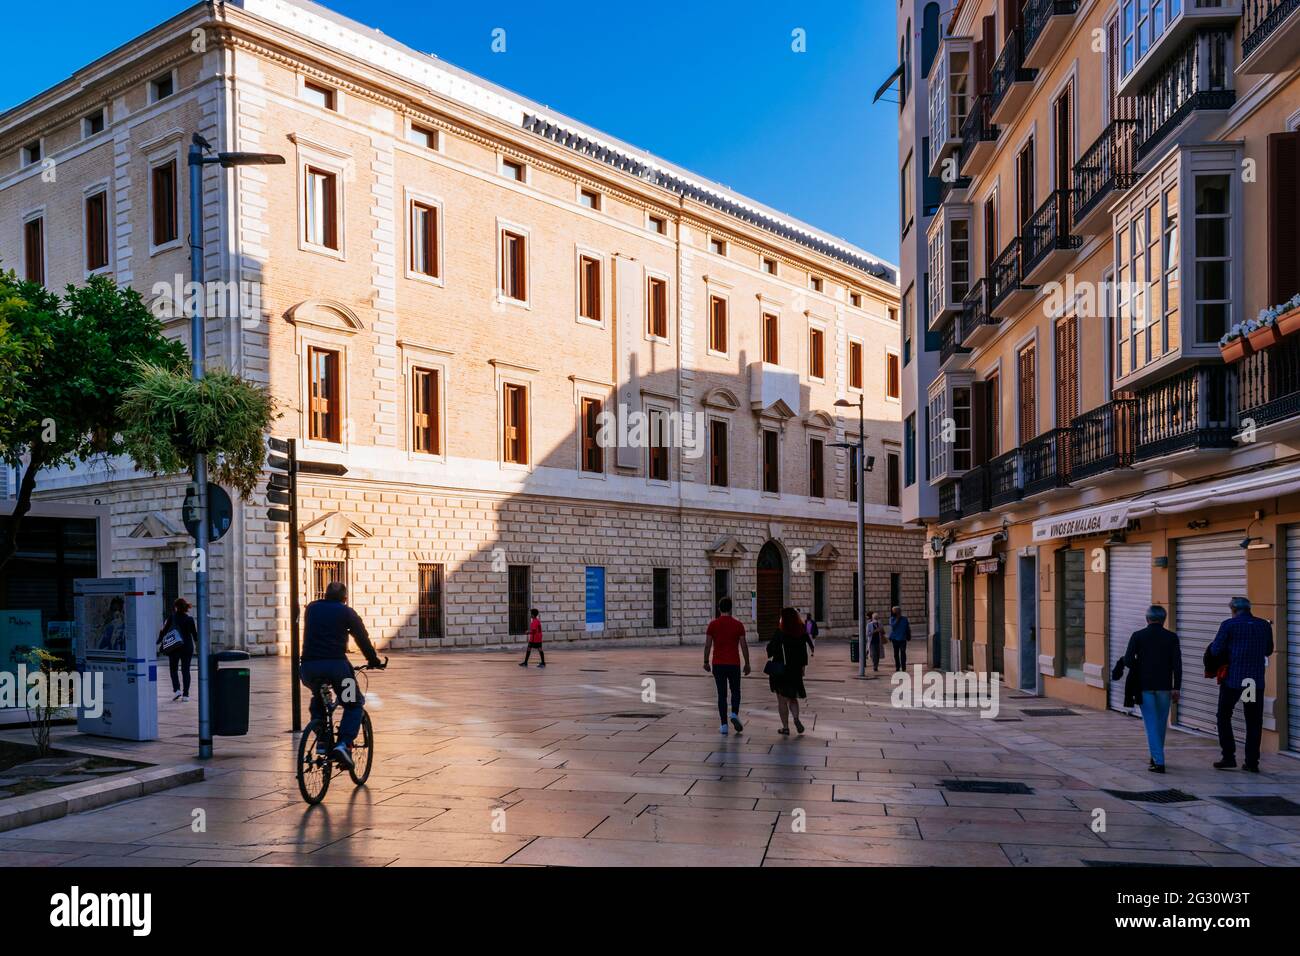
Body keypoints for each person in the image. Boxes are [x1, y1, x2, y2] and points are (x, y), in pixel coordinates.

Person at [301, 581, 384, 769]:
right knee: (354, 703)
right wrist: (373, 660)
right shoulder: (347, 612)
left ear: (325, 594)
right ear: (345, 598)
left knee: (319, 696)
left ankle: (322, 739)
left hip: (308, 669)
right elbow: (361, 638)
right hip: (337, 669)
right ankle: (343, 744)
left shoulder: (311, 609)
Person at [1209, 596, 1274, 772]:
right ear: (1249, 608)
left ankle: (1229, 756)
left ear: (1233, 610)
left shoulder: (1229, 625)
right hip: (1252, 682)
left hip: (1233, 681)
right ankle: (1252, 762)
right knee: (1253, 721)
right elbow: (1268, 650)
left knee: (1224, 715)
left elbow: (1215, 650)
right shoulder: (1263, 625)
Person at [1116, 605, 1181, 773]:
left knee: (1150, 723)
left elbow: (1129, 661)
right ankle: (1155, 755)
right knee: (1160, 723)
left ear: (1147, 619)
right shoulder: (1171, 637)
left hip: (1144, 686)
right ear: (1164, 619)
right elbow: (1177, 664)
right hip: (1165, 687)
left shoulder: (1138, 636)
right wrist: (1177, 687)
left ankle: (1158, 761)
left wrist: (1141, 664)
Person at [703, 597, 750, 735]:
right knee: (736, 691)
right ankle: (734, 714)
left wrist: (705, 661)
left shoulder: (713, 625)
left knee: (721, 695)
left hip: (718, 664)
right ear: (730, 608)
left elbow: (707, 645)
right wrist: (747, 663)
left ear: (719, 608)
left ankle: (723, 725)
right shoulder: (738, 625)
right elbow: (744, 645)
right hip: (734, 663)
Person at [768, 607, 812, 735]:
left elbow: (770, 650)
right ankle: (796, 718)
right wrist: (802, 668)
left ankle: (785, 727)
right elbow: (804, 654)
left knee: (781, 700)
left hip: (780, 669)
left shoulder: (780, 633)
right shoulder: (800, 633)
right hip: (794, 670)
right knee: (792, 697)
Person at [156, 598, 198, 702]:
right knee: (185, 670)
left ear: (176, 607)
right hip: (187, 647)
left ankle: (177, 689)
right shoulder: (190, 619)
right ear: (186, 607)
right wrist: (197, 647)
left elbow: (164, 631)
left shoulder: (172, 617)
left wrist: (159, 641)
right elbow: (195, 635)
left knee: (173, 669)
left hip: (174, 647)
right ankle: (186, 695)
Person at [889, 606, 911, 672]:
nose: (895, 613)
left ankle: (903, 667)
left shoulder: (904, 619)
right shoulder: (892, 619)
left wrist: (909, 635)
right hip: (895, 638)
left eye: (896, 611)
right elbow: (893, 626)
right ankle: (897, 667)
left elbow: (907, 627)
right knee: (896, 654)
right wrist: (897, 619)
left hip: (903, 638)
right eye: (894, 611)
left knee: (903, 652)